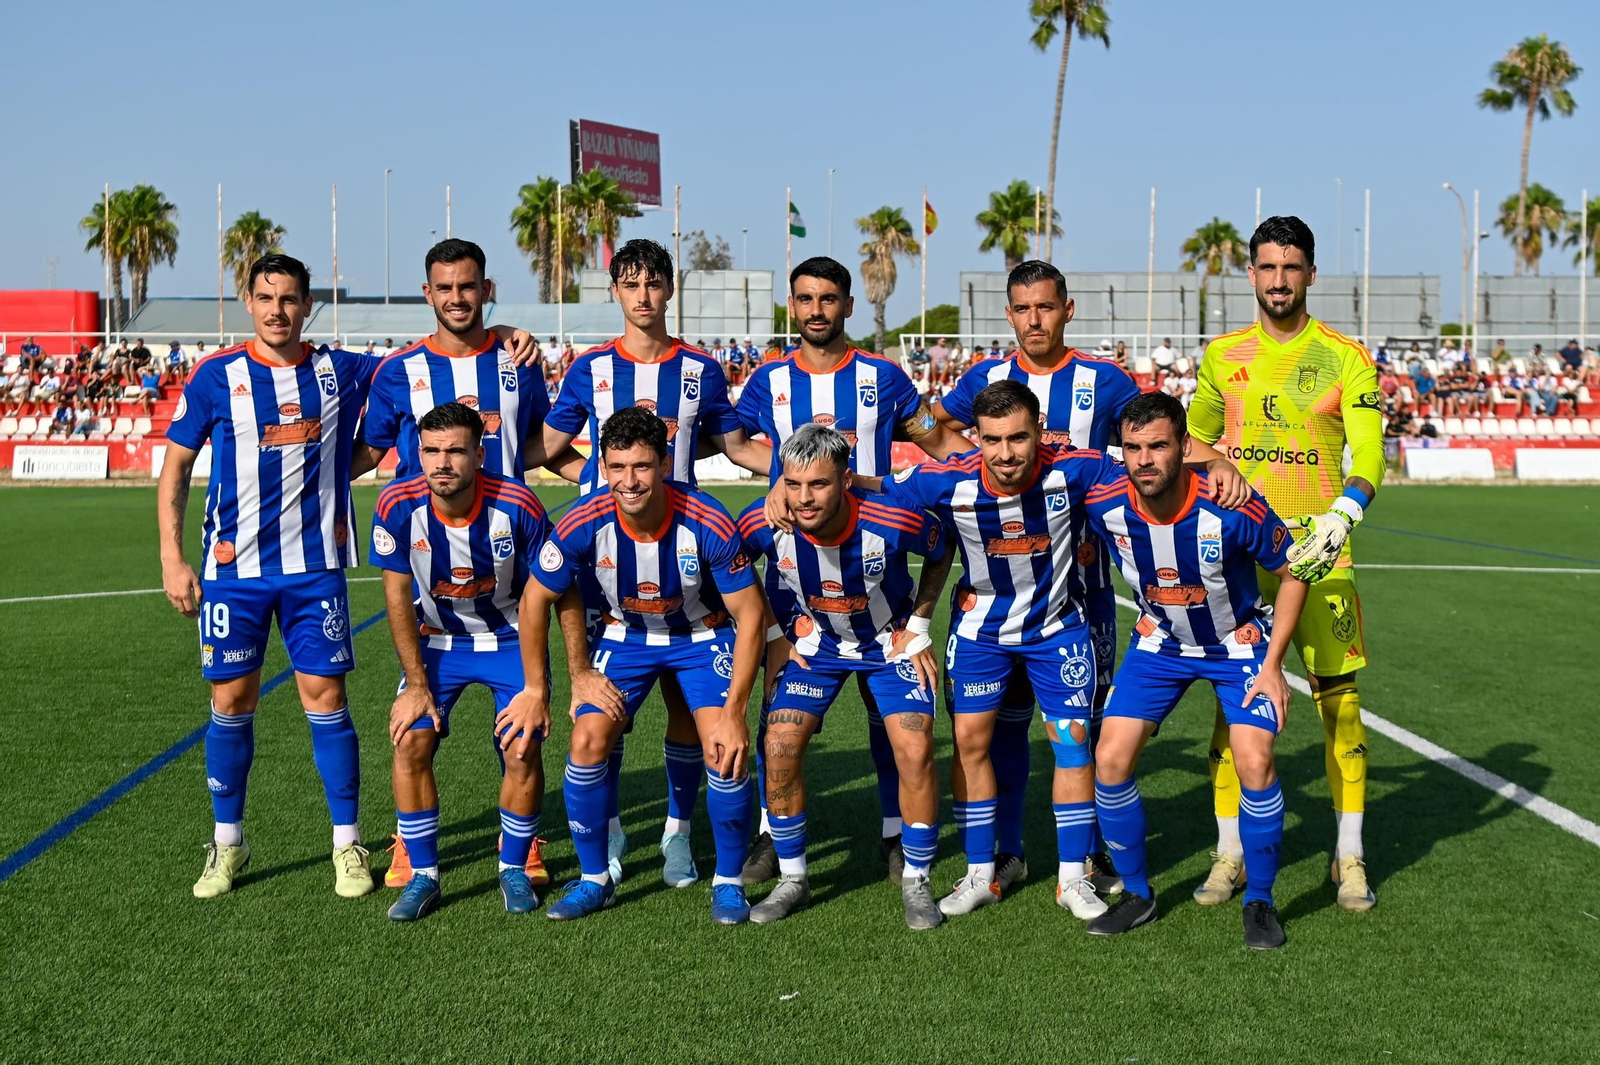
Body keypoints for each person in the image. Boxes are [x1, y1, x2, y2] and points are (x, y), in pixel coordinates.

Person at [931, 259, 1249, 896]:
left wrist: (1220, 464)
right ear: (1009, 314)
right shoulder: (985, 379)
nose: (1034, 320)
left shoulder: (1104, 379)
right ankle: (1012, 851)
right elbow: (940, 429)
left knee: (1088, 725)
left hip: (1085, 586)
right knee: (1004, 725)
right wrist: (975, 473)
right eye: (1022, 309)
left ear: (1067, 310)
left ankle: (1093, 855)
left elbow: (1157, 434)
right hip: (1000, 585)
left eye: (1045, 307)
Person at [540, 238, 772, 888]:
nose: (642, 297)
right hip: (602, 564)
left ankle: (676, 830)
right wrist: (592, 485)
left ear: (670, 290)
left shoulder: (701, 368)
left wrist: (796, 473)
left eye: (653, 284)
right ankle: (610, 825)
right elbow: (550, 446)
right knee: (600, 700)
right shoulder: (588, 368)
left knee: (681, 702)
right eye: (630, 284)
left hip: (684, 558)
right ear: (614, 290)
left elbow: (734, 445)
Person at [358, 239, 582, 887]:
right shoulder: (399, 370)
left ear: (487, 289)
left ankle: (524, 844)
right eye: (443, 288)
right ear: (427, 294)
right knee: (413, 728)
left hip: (512, 573)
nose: (456, 298)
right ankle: (410, 840)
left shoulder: (519, 361)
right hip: (433, 576)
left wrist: (597, 475)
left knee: (522, 736)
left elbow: (537, 444)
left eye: (468, 286)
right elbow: (373, 450)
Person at [157, 254, 381, 901]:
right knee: (229, 701)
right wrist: (174, 558)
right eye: (266, 296)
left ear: (306, 305)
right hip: (234, 574)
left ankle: (348, 844)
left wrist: (507, 334)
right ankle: (227, 843)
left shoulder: (340, 369)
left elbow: (424, 363)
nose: (277, 309)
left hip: (315, 570)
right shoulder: (215, 377)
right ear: (247, 301)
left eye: (289, 298)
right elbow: (174, 472)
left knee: (325, 697)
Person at [740, 256, 969, 885]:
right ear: (794, 304)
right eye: (806, 299)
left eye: (829, 299)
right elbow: (734, 440)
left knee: (885, 708)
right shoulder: (767, 381)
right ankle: (770, 829)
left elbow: (938, 444)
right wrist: (772, 485)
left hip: (877, 570)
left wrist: (989, 471)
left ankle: (895, 834)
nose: (817, 310)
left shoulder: (885, 377)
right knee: (779, 709)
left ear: (846, 305)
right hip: (795, 581)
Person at [870, 381, 1137, 918]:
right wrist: (788, 487)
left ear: (1040, 432)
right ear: (976, 438)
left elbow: (1151, 472)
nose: (1006, 453)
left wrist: (1218, 466)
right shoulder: (948, 478)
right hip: (980, 634)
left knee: (1072, 742)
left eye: (1018, 438)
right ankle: (978, 873)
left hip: (1057, 629)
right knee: (970, 743)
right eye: (992, 440)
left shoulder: (1076, 470)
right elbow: (867, 486)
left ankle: (1071, 878)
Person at [1188, 216, 1385, 912]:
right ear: (1251, 274)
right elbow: (1192, 442)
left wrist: (1343, 514)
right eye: (1267, 267)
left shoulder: (1346, 357)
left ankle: (1350, 855)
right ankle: (1229, 853)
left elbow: (1370, 453)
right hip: (1243, 561)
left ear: (1310, 273)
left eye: (1291, 267)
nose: (1278, 280)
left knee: (1343, 706)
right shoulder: (1222, 356)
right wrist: (1216, 468)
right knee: (1233, 703)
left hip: (1323, 554)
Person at [519, 406, 768, 923]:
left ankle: (727, 881)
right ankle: (595, 879)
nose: (629, 481)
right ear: (603, 467)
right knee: (587, 740)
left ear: (663, 465)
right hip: (626, 636)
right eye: (617, 467)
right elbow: (533, 601)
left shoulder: (708, 521)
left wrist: (736, 710)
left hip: (702, 636)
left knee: (722, 748)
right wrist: (563, 680)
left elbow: (750, 616)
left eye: (642, 467)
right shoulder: (582, 521)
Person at [1079, 391, 1308, 950]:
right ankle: (1138, 894)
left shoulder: (1232, 504)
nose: (1144, 460)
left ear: (1185, 447)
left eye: (1158, 446)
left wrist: (1275, 666)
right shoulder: (1104, 498)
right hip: (1161, 642)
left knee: (1254, 760)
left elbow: (1295, 571)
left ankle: (1261, 901)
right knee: (1109, 757)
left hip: (1239, 643)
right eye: (1132, 448)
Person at [736, 424, 953, 928]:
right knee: (780, 743)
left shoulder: (894, 519)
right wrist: (778, 631)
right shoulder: (762, 521)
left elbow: (940, 553)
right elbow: (734, 567)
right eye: (793, 484)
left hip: (888, 644)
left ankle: (917, 881)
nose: (804, 499)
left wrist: (918, 625)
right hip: (817, 648)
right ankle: (794, 877)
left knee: (916, 748)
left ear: (846, 480)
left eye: (819, 485)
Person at [369, 403, 554, 921]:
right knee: (411, 737)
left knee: (522, 746)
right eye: (431, 451)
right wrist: (414, 684)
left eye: (454, 451)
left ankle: (514, 865)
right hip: (435, 640)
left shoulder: (518, 505)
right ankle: (422, 873)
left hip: (510, 637)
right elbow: (396, 596)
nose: (442, 463)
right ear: (417, 453)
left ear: (479, 453)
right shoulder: (396, 505)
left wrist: (538, 688)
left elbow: (551, 593)